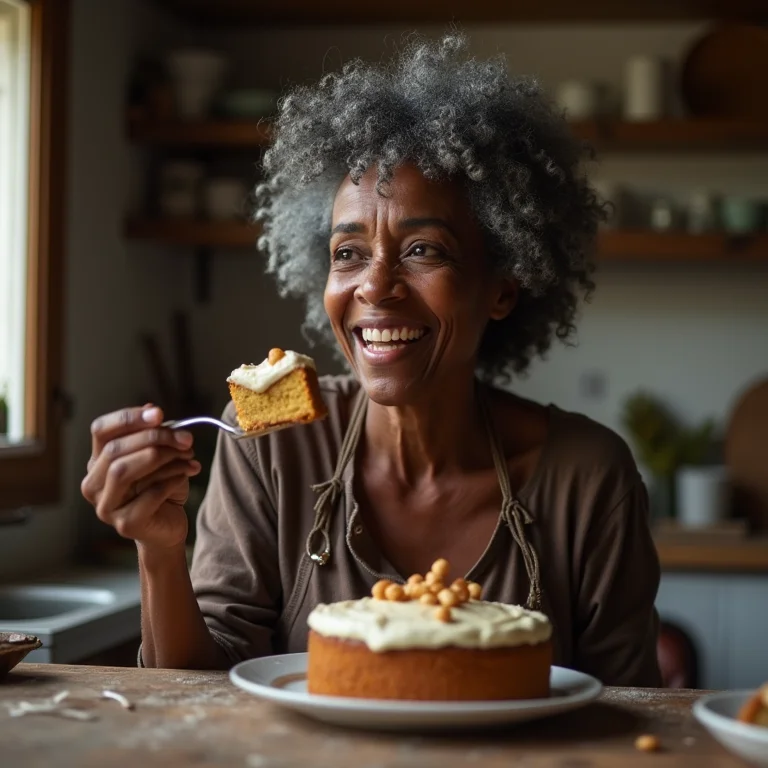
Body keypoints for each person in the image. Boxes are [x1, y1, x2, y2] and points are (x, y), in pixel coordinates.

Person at [81, 35, 661, 685]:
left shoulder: (588, 476)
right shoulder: (268, 446)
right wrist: (159, 552)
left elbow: (631, 710)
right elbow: (192, 693)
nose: (375, 288)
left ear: (503, 286)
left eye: (423, 251)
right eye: (348, 252)